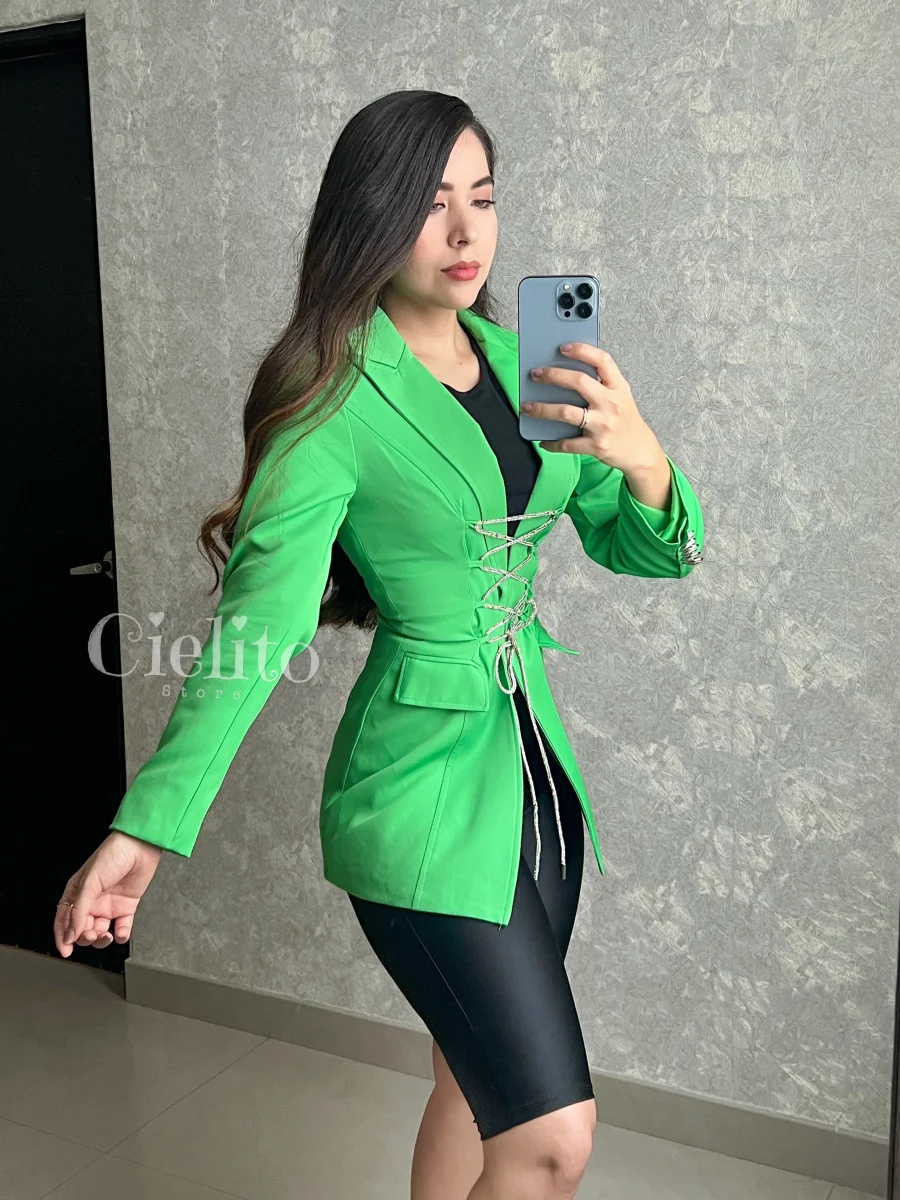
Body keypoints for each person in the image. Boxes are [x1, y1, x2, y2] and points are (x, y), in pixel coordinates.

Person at [53, 90, 704, 1199]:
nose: (464, 230)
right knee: (552, 1139)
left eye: (482, 199)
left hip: (535, 781)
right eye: (429, 201)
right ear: (370, 215)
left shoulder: (527, 359)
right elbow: (256, 629)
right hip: (417, 789)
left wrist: (641, 454)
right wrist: (146, 828)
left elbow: (645, 550)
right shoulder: (330, 396)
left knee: (469, 1080)